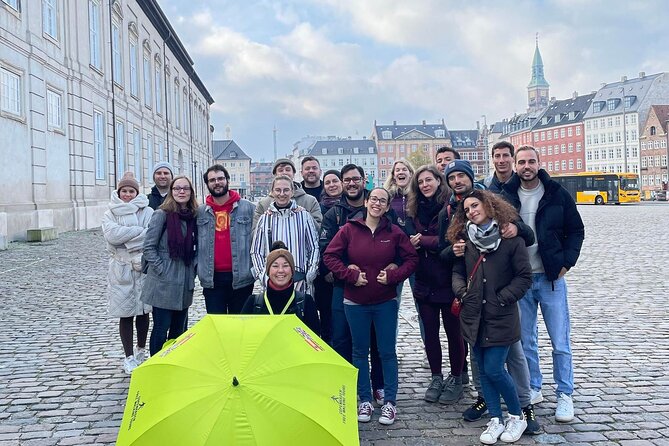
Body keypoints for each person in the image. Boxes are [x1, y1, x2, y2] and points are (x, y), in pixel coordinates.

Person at [501, 145, 585, 423]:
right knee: (526, 341)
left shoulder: (556, 194)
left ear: (539, 163)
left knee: (560, 341)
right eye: (522, 162)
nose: (526, 166)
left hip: (550, 279)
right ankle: (534, 386)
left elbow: (576, 230)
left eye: (531, 161)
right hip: (522, 279)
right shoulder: (507, 196)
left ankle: (565, 394)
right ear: (515, 165)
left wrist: (566, 262)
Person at [324, 187, 418, 426]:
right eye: (373, 199)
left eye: (382, 201)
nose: (377, 203)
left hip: (385, 301)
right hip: (355, 302)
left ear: (387, 207)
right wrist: (349, 275)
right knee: (359, 351)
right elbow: (330, 256)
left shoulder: (394, 233)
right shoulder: (349, 230)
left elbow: (411, 260)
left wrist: (394, 276)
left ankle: (390, 402)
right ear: (366, 202)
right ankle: (364, 399)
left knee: (386, 351)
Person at [448, 189, 532, 445]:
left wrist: (503, 297)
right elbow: (457, 271)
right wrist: (462, 292)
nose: (472, 211)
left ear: (488, 205)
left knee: (495, 368)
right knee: (483, 371)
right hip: (474, 315)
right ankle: (495, 418)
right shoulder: (467, 241)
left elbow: (524, 277)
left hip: (501, 315)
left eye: (475, 206)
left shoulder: (510, 239)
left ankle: (517, 415)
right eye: (467, 210)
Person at [320, 165, 386, 408]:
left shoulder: (376, 206)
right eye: (346, 180)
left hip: (375, 287)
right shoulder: (334, 214)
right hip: (343, 286)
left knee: (376, 339)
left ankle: (377, 385)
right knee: (341, 338)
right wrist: (345, 273)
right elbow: (326, 250)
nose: (351, 183)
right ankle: (347, 385)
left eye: (355, 179)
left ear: (363, 181)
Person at [405, 165, 466, 404]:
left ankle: (457, 378)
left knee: (454, 333)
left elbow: (449, 241)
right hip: (424, 279)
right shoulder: (413, 209)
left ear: (439, 181)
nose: (424, 185)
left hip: (448, 278)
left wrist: (425, 241)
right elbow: (409, 239)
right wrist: (418, 242)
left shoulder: (450, 207)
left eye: (428, 180)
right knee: (430, 332)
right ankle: (436, 376)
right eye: (420, 182)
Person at [141, 176, 198, 356]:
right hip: (164, 282)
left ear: (191, 192)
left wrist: (194, 269)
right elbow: (149, 247)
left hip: (184, 280)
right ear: (172, 192)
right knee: (160, 328)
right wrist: (161, 270)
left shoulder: (194, 216)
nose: (181, 192)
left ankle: (175, 363)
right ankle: (156, 364)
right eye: (177, 188)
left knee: (180, 330)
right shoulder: (161, 214)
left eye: (185, 189)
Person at [102, 172, 153, 374]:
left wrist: (127, 238)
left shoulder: (147, 211)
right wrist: (136, 233)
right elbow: (112, 236)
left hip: (143, 268)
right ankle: (128, 356)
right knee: (125, 314)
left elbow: (150, 234)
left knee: (143, 312)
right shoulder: (110, 213)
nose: (128, 194)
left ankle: (141, 350)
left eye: (131, 191)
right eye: (124, 191)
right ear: (119, 192)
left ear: (137, 192)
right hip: (121, 269)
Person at [197, 164, 255, 314]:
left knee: (240, 327)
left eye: (220, 178)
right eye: (212, 180)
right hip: (212, 279)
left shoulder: (248, 209)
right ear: (207, 184)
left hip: (241, 277)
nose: (217, 182)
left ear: (228, 180)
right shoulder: (200, 212)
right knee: (218, 326)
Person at [251, 175, 319, 297]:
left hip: (300, 281)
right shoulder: (265, 218)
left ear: (292, 192)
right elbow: (256, 251)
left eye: (286, 190)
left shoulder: (304, 216)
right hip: (273, 282)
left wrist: (311, 271)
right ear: (272, 192)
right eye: (278, 190)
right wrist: (262, 275)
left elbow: (313, 247)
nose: (282, 194)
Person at [241, 241, 320, 333]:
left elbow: (314, 341)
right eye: (275, 266)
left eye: (286, 266)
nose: (281, 270)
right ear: (268, 271)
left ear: (292, 271)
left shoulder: (305, 302)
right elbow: (243, 335)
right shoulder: (254, 302)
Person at [313, 169, 344, 343]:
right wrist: (326, 270)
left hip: (345, 270)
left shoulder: (351, 206)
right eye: (328, 182)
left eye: (335, 181)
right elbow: (320, 241)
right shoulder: (319, 207)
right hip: (324, 270)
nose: (332, 185)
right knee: (326, 313)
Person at [253, 158, 322, 231]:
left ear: (293, 173)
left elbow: (319, 230)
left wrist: (306, 215)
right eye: (280, 170)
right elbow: (254, 233)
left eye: (288, 170)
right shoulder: (264, 204)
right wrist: (266, 221)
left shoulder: (310, 201)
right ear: (275, 174)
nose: (284, 172)